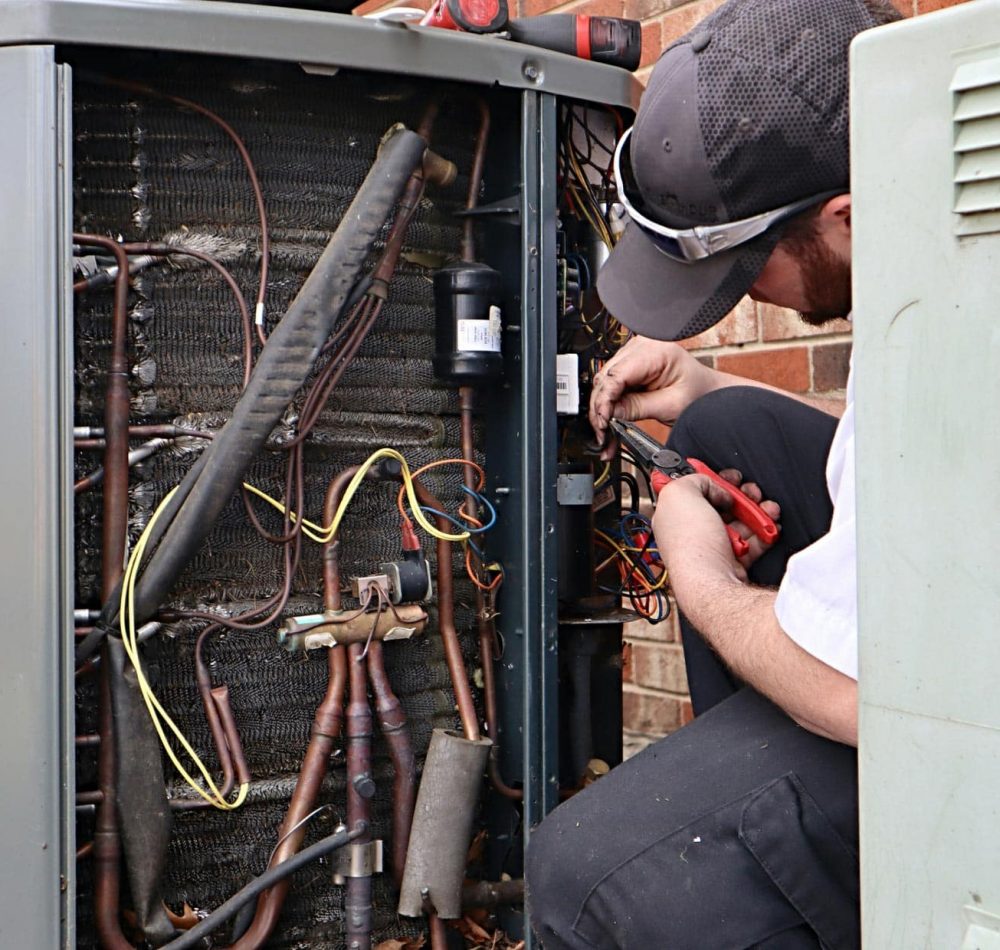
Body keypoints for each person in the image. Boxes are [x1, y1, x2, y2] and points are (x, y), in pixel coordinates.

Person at [525, 0, 903, 947]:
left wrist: (700, 575)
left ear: (847, 215)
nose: (737, 303)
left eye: (744, 271)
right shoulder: (935, 260)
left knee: (580, 876)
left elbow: (862, 695)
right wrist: (705, 383)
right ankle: (763, 812)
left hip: (956, 732)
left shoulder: (947, 338)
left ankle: (772, 857)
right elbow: (902, 460)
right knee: (726, 425)